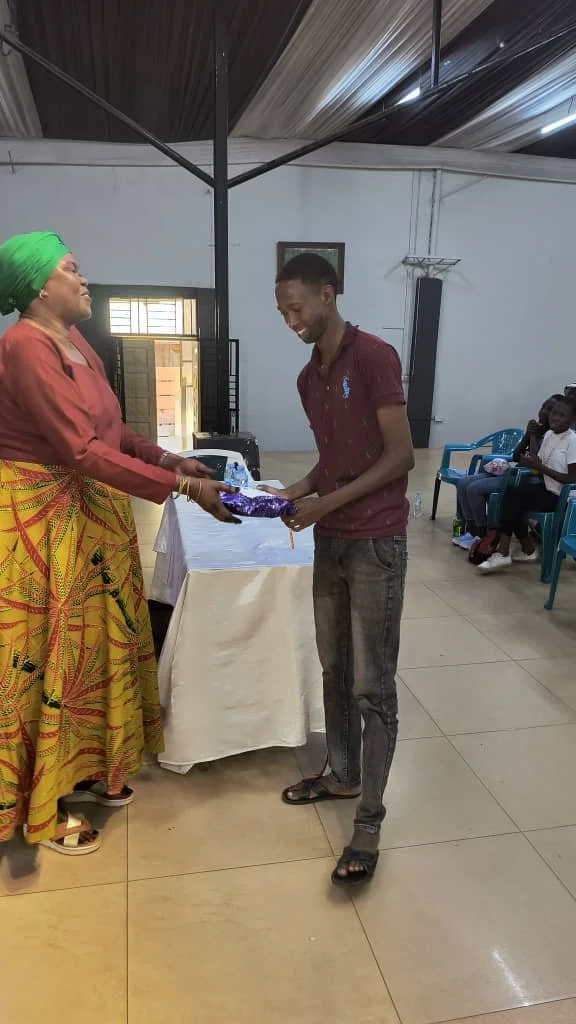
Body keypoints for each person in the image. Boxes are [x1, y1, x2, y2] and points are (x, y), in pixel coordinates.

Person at [0, 230, 237, 855]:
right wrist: (183, 489)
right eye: (71, 269)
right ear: (39, 287)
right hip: (43, 522)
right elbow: (78, 450)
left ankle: (84, 770)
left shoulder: (74, 341)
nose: (84, 280)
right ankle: (44, 807)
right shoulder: (25, 346)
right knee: (51, 655)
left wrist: (169, 459)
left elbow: (109, 430)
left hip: (88, 515)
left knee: (93, 648)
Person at [265, 253, 414, 886]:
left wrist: (325, 502)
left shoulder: (374, 356)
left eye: (296, 307)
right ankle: (344, 774)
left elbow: (400, 456)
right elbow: (333, 462)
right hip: (330, 541)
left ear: (328, 294)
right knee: (334, 668)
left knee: (372, 686)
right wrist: (292, 493)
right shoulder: (309, 378)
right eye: (282, 312)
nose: (290, 320)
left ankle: (369, 821)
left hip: (375, 542)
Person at [479, 395, 576, 572]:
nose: (555, 418)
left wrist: (540, 467)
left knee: (515, 497)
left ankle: (507, 551)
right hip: (546, 488)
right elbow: (538, 464)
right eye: (554, 413)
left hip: (563, 498)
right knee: (513, 494)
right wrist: (531, 443)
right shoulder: (549, 435)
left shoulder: (573, 441)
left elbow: (572, 479)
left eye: (562, 415)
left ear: (572, 419)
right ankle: (520, 550)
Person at [454, 395, 564, 551]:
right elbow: (515, 456)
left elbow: (535, 463)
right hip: (511, 472)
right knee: (463, 482)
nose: (543, 412)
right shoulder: (536, 430)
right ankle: (471, 529)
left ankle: (481, 532)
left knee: (474, 489)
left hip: (523, 479)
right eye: (543, 407)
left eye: (549, 409)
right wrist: (527, 435)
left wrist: (533, 436)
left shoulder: (551, 436)